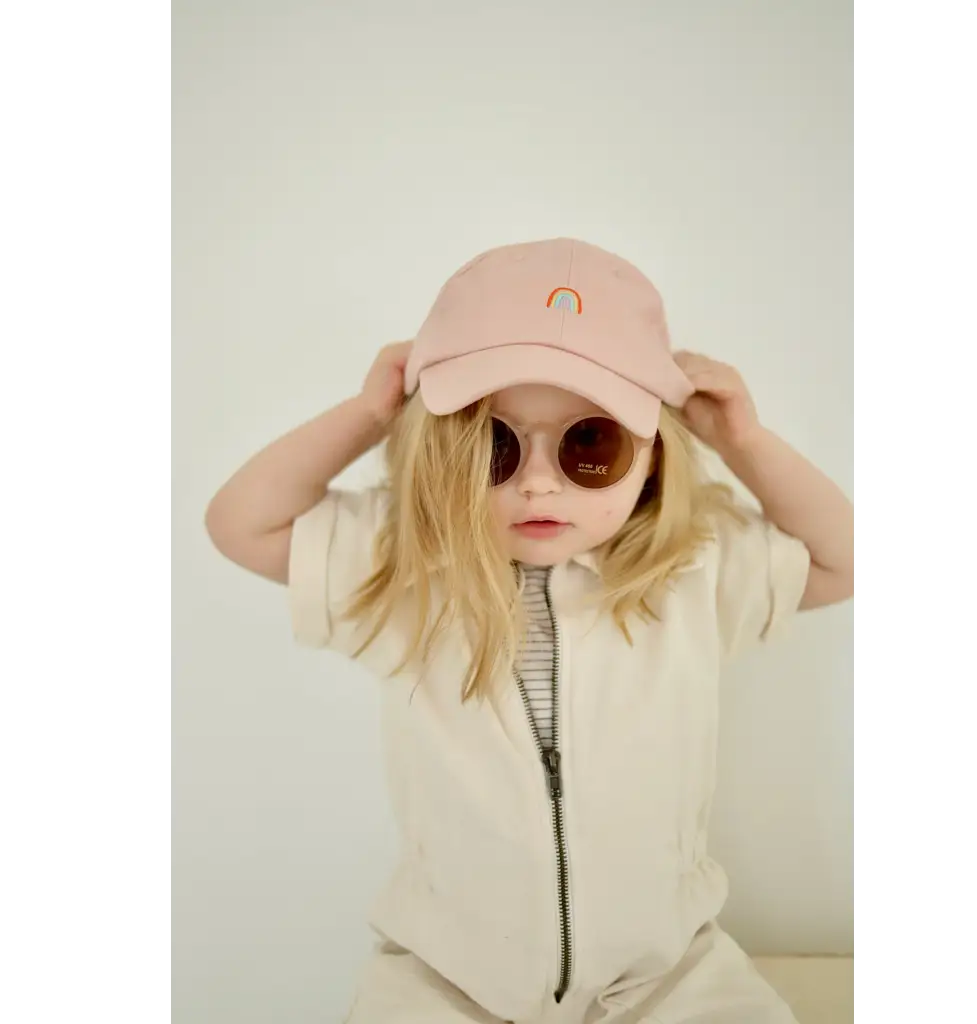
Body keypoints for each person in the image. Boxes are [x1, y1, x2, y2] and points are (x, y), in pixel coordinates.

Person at [205, 238, 855, 1024]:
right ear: (441, 453)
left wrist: (743, 442)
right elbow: (240, 525)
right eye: (494, 445)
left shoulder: (691, 573)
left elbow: (845, 560)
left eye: (590, 443)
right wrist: (366, 415)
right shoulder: (404, 573)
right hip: (446, 978)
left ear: (651, 457)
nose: (539, 481)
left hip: (668, 972)